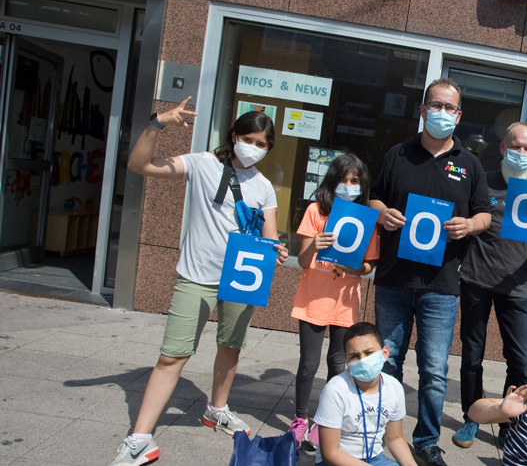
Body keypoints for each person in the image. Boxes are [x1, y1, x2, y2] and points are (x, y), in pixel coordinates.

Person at [110, 98, 288, 466]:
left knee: (231, 347)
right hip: (197, 276)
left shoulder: (264, 187)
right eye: (249, 139)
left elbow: (269, 237)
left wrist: (277, 251)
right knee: (171, 356)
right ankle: (140, 438)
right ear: (234, 135)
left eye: (262, 144)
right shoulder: (203, 163)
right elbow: (139, 164)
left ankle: (217, 409)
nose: (254, 148)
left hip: (241, 278)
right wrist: (157, 123)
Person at [366, 78, 492, 466]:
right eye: (435, 105)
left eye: (449, 108)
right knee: (387, 363)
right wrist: (381, 213)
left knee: (435, 371)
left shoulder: (470, 164)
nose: (442, 113)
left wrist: (469, 226)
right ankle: (379, 432)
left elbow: (485, 213)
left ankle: (426, 440)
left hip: (441, 284)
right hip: (393, 278)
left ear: (458, 115)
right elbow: (373, 197)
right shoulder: (398, 154)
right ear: (422, 110)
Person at [452, 122, 527, 449]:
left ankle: (510, 423)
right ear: (502, 147)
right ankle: (472, 417)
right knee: (472, 354)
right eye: (516, 146)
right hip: (476, 279)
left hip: (515, 286)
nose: (522, 153)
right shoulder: (483, 181)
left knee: (520, 360)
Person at [290, 153, 381, 448]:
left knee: (337, 362)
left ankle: (323, 421)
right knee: (308, 364)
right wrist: (313, 246)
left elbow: (369, 265)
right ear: (332, 181)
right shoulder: (317, 210)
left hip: (345, 302)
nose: (349, 186)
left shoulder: (366, 217)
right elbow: (303, 262)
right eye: (343, 180)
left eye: (355, 181)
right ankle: (300, 418)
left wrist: (356, 269)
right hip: (313, 299)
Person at [314, 322, 416, 466]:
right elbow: (330, 453)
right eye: (354, 356)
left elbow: (394, 438)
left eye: (369, 353)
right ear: (347, 361)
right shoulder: (335, 390)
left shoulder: (394, 388)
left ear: (384, 353)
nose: (363, 360)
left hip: (375, 459)